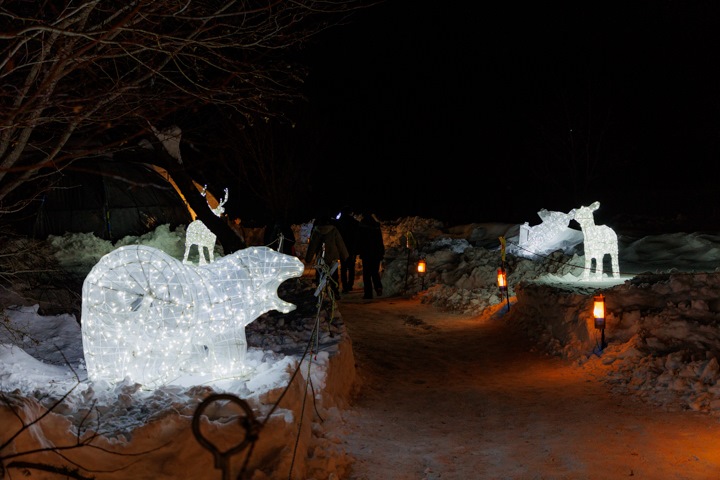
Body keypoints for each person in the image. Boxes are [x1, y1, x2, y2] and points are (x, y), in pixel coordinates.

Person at [304, 213, 349, 299]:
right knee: (334, 276)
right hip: (332, 257)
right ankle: (335, 293)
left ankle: (320, 293)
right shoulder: (334, 230)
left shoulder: (316, 231)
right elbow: (340, 243)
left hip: (321, 257)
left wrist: (308, 258)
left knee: (320, 275)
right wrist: (345, 255)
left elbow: (312, 245)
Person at [357, 212, 385, 300]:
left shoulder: (362, 226)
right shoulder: (376, 226)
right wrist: (381, 252)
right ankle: (378, 287)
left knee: (367, 274)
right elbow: (380, 240)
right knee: (374, 271)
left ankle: (368, 294)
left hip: (366, 253)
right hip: (376, 252)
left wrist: (358, 251)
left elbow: (359, 240)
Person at [334, 206, 360, 293]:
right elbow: (357, 237)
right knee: (351, 267)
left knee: (344, 267)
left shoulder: (339, 223)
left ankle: (345, 286)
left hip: (342, 247)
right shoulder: (354, 223)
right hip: (352, 247)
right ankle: (350, 285)